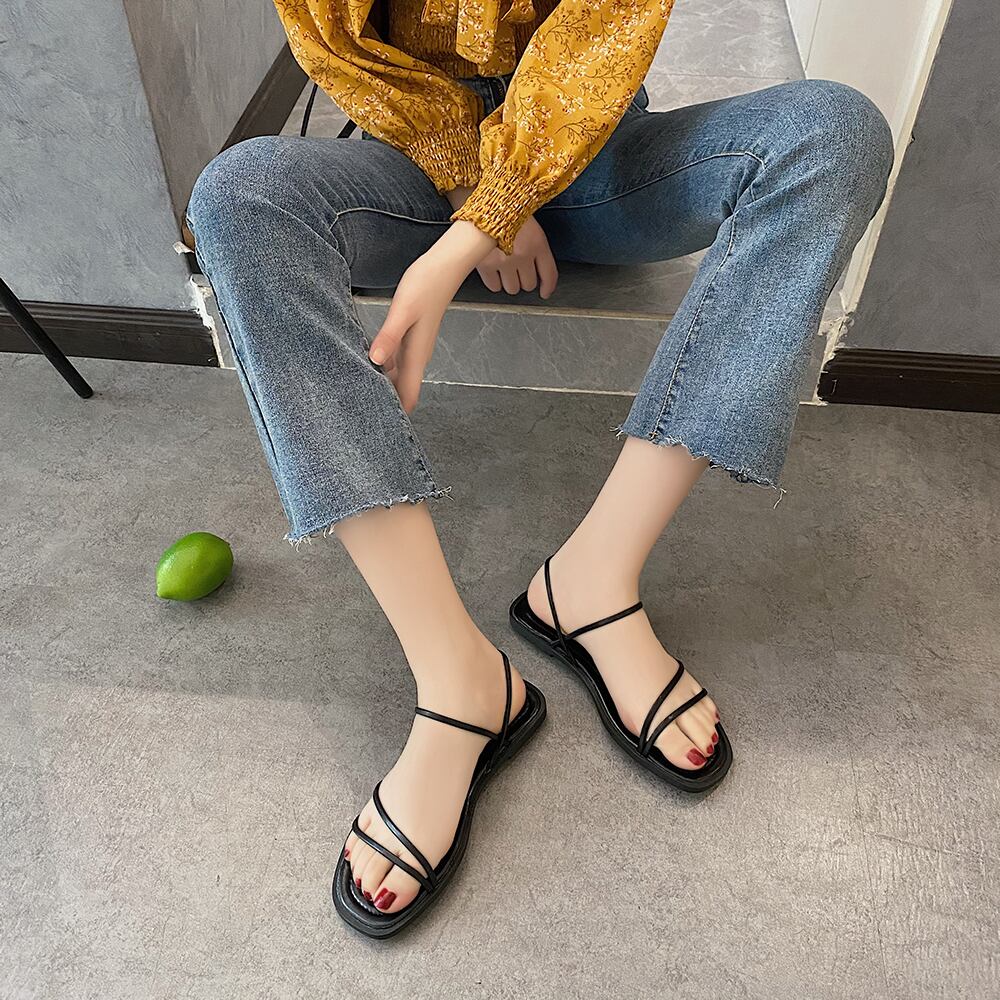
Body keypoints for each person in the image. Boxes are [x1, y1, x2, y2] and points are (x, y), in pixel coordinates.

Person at [185, 0, 894, 937]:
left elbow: (604, 27)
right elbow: (334, 38)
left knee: (835, 133)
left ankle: (593, 580)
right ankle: (459, 681)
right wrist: (473, 192)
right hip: (410, 160)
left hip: (593, 148)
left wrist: (491, 215)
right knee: (238, 196)